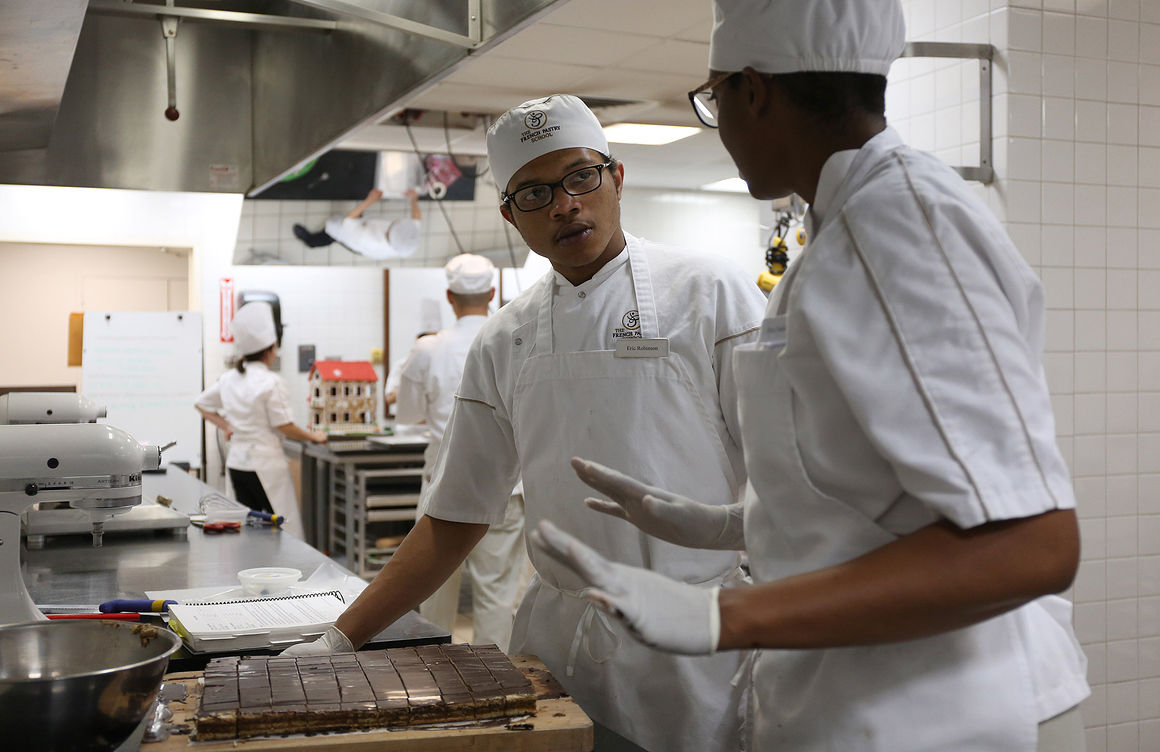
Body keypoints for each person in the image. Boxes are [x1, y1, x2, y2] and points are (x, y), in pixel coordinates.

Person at [529, 2, 1090, 751]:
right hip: (870, 700)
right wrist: (728, 523)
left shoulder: (901, 227)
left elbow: (1033, 544)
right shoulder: (839, 228)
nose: (718, 124)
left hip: (954, 713)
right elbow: (878, 492)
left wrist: (724, 617)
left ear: (752, 89)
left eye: (712, 99)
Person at [284, 94, 768, 752]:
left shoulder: (712, 294)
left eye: (580, 177)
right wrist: (340, 637)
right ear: (512, 216)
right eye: (536, 193)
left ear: (616, 178)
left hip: (700, 637)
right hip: (563, 647)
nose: (566, 204)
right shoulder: (505, 340)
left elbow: (784, 477)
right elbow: (456, 515)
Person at [392, 253, 528, 652]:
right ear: (492, 292)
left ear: (449, 297)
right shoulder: (516, 338)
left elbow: (409, 415)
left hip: (443, 484)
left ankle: (428, 674)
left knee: (433, 590)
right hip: (508, 488)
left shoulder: (427, 349)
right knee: (498, 593)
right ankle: (493, 683)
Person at [195, 302, 326, 537]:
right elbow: (284, 426)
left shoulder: (229, 379)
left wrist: (226, 425)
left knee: (247, 527)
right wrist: (313, 436)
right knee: (282, 528)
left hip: (238, 464)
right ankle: (286, 570)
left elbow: (201, 404)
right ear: (271, 349)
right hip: (266, 466)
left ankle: (250, 569)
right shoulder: (271, 382)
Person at [293, 188, 421, 260]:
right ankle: (360, 219)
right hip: (366, 228)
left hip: (352, 238)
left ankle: (309, 240)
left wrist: (370, 200)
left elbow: (347, 222)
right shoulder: (409, 239)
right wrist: (414, 199)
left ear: (390, 231)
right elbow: (416, 219)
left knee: (330, 234)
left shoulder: (366, 240)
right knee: (358, 218)